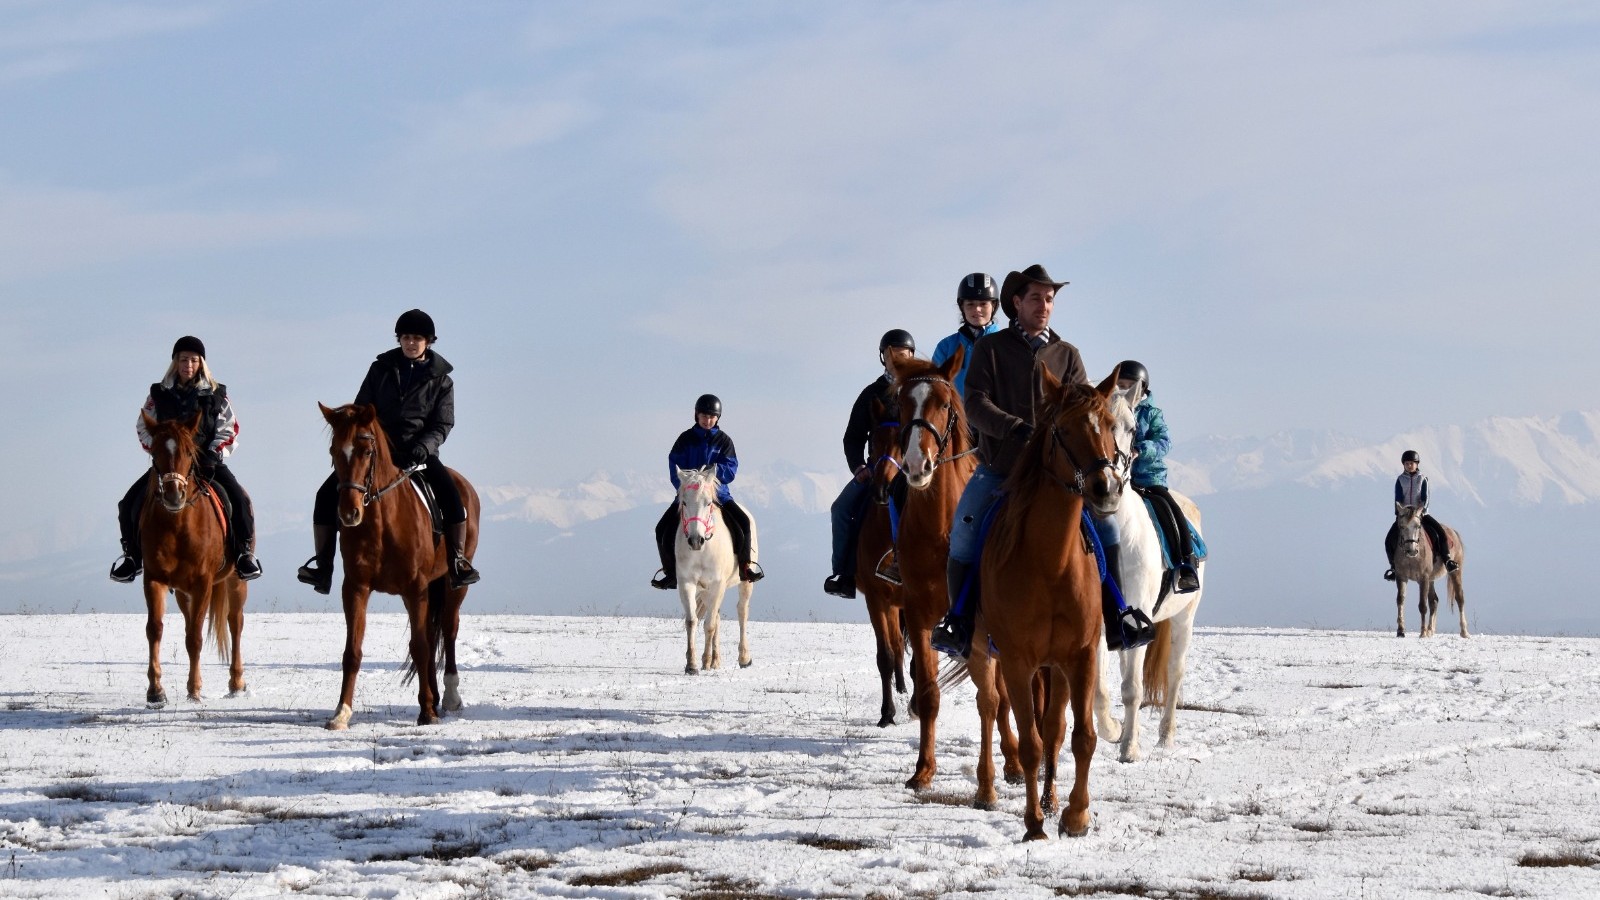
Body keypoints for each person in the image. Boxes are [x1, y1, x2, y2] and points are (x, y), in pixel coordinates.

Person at [929, 264, 1153, 657]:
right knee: (963, 532)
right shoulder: (990, 350)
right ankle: (959, 622)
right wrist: (1014, 427)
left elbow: (1088, 406)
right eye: (1036, 298)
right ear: (1016, 303)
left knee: (1110, 531)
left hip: (1060, 476)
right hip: (1001, 469)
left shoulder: (1068, 354)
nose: (1044, 306)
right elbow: (976, 403)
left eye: (1049, 299)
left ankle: (1118, 616)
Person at [296, 309, 480, 593]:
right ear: (399, 339)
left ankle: (457, 561)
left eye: (417, 338)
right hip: (375, 453)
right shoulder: (380, 369)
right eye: (406, 337)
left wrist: (423, 447)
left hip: (418, 454)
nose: (410, 343)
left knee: (453, 496)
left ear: (428, 341)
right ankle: (323, 567)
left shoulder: (442, 379)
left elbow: (443, 423)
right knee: (325, 495)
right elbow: (361, 409)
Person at [110, 336, 262, 583]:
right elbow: (143, 424)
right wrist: (160, 452)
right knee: (128, 503)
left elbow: (229, 428)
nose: (188, 365)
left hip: (208, 463)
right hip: (169, 466)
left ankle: (244, 554)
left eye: (193, 360)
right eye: (183, 359)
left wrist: (214, 453)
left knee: (239, 499)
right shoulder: (158, 393)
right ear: (175, 362)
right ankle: (131, 557)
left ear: (200, 362)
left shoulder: (216, 393)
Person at [823, 329, 915, 598]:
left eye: (904, 354)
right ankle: (844, 574)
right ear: (883, 357)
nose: (898, 359)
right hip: (876, 469)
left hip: (914, 470)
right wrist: (858, 467)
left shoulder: (919, 391)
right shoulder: (871, 394)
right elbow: (852, 437)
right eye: (892, 354)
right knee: (840, 508)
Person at [650, 394, 764, 589]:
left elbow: (731, 468)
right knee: (661, 528)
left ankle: (745, 567)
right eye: (704, 415)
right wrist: (687, 486)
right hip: (689, 495)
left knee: (743, 523)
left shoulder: (724, 441)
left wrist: (714, 473)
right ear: (696, 415)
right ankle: (671, 573)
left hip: (718, 495)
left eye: (712, 416)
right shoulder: (684, 439)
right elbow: (674, 465)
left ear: (718, 418)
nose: (707, 420)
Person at [1115, 360, 1200, 593]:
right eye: (1120, 385)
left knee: (1169, 509)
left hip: (1148, 477)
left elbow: (1164, 441)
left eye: (1130, 385)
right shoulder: (1111, 409)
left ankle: (1186, 562)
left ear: (1143, 388)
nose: (1124, 390)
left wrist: (1140, 450)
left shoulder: (1151, 414)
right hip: (1119, 477)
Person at [1383, 449, 1457, 579]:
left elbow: (1425, 498)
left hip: (1421, 514)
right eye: (1406, 463)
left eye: (1412, 463)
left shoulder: (1422, 479)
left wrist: (1420, 511)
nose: (1409, 465)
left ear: (1417, 464)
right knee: (1389, 539)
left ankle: (1447, 560)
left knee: (1440, 532)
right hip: (1405, 516)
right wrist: (1400, 512)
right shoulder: (1400, 480)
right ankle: (1394, 568)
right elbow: (1398, 498)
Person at [931, 273, 1001, 397]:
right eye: (970, 304)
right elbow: (934, 389)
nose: (977, 309)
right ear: (962, 307)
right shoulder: (945, 347)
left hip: (995, 415)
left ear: (993, 306)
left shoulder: (1007, 343)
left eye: (983, 304)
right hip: (958, 415)